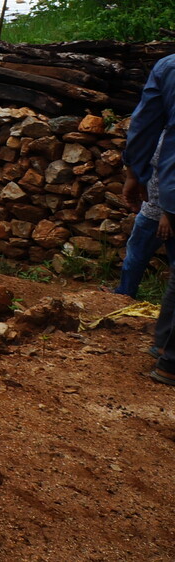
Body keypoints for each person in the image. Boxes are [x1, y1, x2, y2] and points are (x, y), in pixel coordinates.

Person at [125, 53, 175, 385]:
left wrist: (133, 171)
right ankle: (170, 358)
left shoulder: (169, 66)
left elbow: (143, 125)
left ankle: (164, 347)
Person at [116, 137, 172, 297]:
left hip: (166, 214)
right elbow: (135, 147)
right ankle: (124, 294)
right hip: (152, 210)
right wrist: (132, 177)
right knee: (135, 255)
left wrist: (168, 213)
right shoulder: (159, 128)